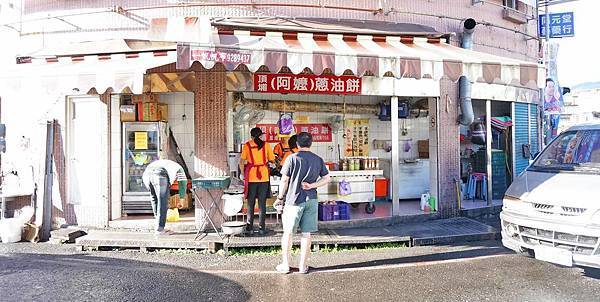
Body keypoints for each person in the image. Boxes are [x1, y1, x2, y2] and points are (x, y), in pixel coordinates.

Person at [273, 132, 331, 274]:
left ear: (297, 144)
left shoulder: (292, 159)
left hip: (294, 200)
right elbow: (327, 178)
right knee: (306, 234)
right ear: (310, 144)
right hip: (311, 199)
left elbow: (284, 180)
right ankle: (302, 266)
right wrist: (312, 186)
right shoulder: (318, 159)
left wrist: (280, 197)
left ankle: (286, 265)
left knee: (288, 233)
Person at [240, 127, 276, 235]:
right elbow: (272, 160)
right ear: (260, 136)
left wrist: (243, 173)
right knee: (262, 204)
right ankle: (261, 228)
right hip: (264, 177)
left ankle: (249, 228)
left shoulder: (247, 145)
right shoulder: (266, 145)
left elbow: (241, 162)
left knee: (250, 203)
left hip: (251, 177)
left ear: (251, 136)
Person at [142, 159, 187, 235]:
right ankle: (160, 229)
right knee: (163, 202)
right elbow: (182, 183)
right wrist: (182, 200)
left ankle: (158, 226)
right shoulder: (179, 168)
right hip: (160, 174)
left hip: (147, 174)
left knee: (155, 199)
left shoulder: (168, 164)